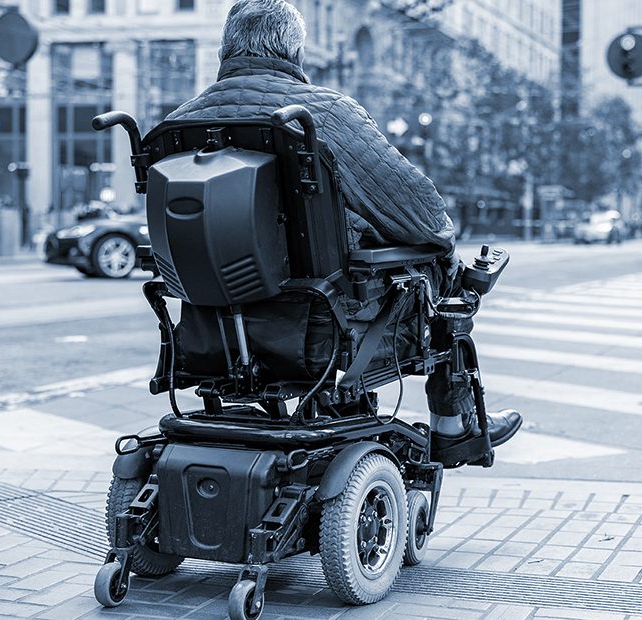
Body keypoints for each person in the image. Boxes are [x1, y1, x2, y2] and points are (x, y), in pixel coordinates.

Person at [166, 0, 522, 465]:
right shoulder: (323, 114)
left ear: (225, 47)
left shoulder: (177, 124)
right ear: (295, 51)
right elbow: (422, 213)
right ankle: (454, 426)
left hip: (208, 328)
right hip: (320, 318)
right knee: (440, 268)